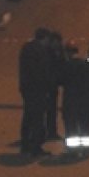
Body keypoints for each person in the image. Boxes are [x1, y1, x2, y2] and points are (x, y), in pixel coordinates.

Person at [18, 28, 53, 156]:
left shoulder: (26, 48)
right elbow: (43, 72)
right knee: (38, 118)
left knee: (28, 116)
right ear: (44, 38)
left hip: (27, 88)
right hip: (37, 90)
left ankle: (25, 144)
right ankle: (36, 147)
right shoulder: (40, 51)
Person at [60, 39, 89, 152]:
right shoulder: (85, 65)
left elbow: (60, 80)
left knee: (71, 125)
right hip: (85, 100)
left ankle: (72, 150)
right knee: (85, 123)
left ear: (67, 53)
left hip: (70, 100)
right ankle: (86, 148)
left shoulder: (66, 66)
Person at [43, 30, 65, 141]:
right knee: (46, 109)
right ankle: (47, 131)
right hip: (47, 84)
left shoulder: (58, 51)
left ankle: (51, 131)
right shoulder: (47, 53)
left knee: (52, 109)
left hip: (53, 84)